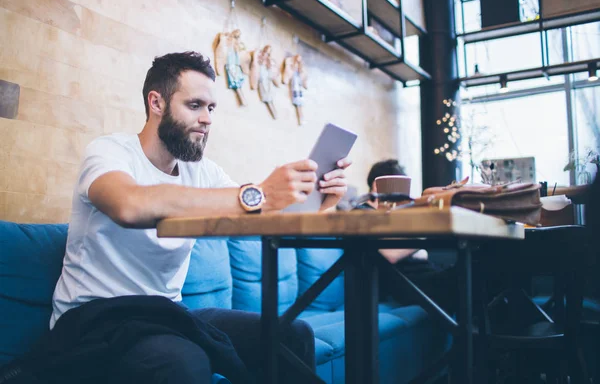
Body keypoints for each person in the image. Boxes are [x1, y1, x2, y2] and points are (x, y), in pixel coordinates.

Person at [46, 51, 351, 384]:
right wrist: (258, 194)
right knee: (183, 362)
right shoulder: (109, 152)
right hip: (96, 318)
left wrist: (320, 200)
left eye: (211, 108)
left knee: (291, 335)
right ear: (156, 102)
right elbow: (129, 205)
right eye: (195, 105)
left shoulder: (203, 172)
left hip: (167, 315)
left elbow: (260, 216)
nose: (207, 118)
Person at [357, 159, 456, 311]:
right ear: (378, 185)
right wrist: (427, 230)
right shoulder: (361, 212)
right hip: (405, 285)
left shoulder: (393, 214)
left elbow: (419, 252)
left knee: (484, 260)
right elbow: (391, 253)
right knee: (477, 275)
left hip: (425, 275)